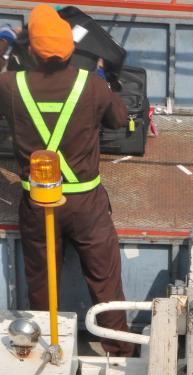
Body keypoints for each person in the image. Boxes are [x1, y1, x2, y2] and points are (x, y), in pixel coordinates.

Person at [0, 6, 134, 356]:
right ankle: (119, 352)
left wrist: (4, 39)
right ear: (71, 48)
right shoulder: (91, 86)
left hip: (39, 202)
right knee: (105, 281)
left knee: (42, 283)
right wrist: (102, 79)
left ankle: (42, 347)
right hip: (87, 205)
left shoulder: (11, 85)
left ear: (30, 51)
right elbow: (120, 120)